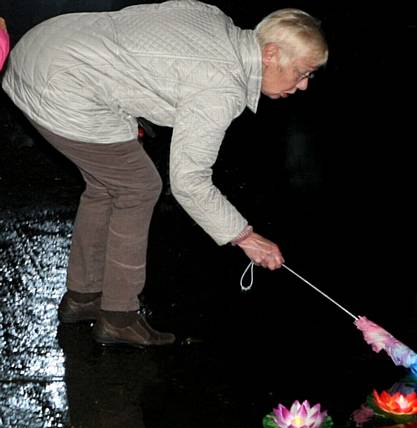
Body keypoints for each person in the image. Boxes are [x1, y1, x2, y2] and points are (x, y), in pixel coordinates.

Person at [2, 1, 328, 347]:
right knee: (139, 187)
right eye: (303, 72)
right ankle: (118, 316)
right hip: (60, 84)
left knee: (107, 182)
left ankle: (83, 298)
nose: (305, 85)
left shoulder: (215, 18)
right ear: (271, 54)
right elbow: (188, 181)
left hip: (44, 44)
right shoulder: (221, 86)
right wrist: (245, 237)